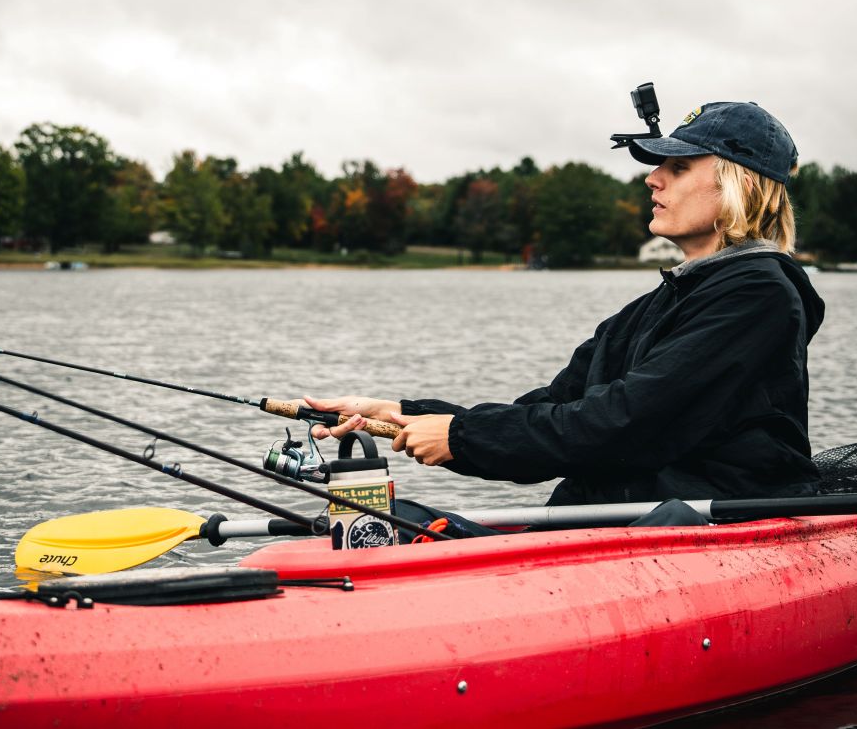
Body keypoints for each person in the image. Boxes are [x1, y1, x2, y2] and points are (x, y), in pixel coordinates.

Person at [306, 100, 825, 505]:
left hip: (703, 539)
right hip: (619, 525)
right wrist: (401, 413)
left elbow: (625, 424)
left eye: (679, 166)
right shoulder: (647, 311)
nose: (653, 178)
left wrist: (460, 437)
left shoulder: (759, 297)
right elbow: (552, 413)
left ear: (740, 184)